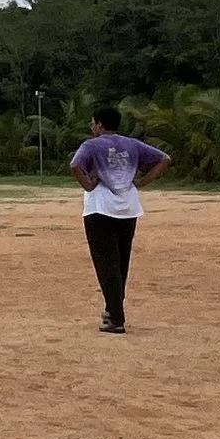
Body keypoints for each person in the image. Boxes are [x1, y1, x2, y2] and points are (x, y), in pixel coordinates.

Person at [69, 105, 171, 334]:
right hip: (128, 208)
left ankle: (115, 317)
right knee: (120, 262)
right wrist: (143, 182)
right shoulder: (131, 144)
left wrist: (87, 184)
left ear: (99, 125)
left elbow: (75, 165)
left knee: (106, 264)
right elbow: (164, 159)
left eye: (93, 123)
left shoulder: (91, 145)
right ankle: (111, 309)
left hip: (100, 208)